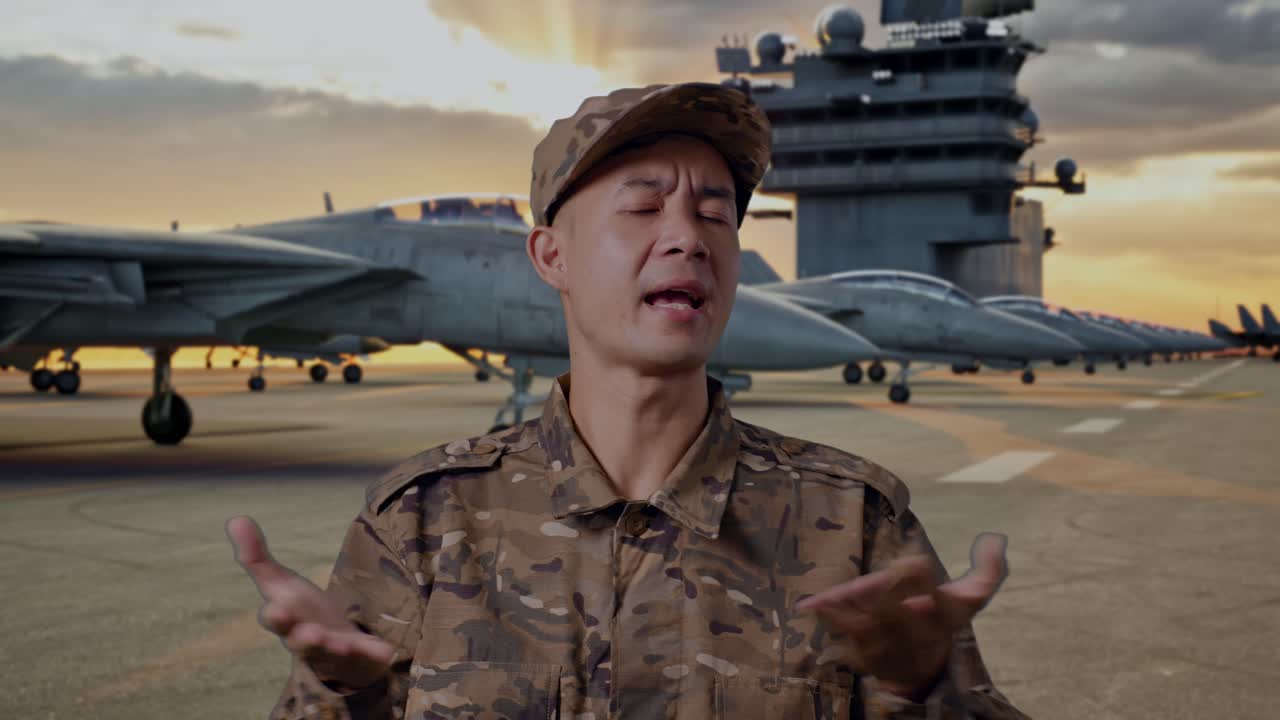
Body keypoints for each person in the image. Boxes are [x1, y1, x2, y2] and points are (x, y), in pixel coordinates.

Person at [227, 82, 1029, 719]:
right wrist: (338, 696)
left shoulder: (856, 525)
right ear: (551, 256)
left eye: (716, 212)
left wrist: (928, 691)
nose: (688, 235)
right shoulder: (422, 522)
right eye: (644, 207)